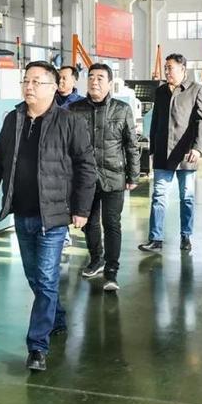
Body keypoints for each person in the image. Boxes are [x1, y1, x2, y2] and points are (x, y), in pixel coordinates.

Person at [0, 61, 96, 372]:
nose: (28, 87)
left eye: (36, 82)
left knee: (45, 279)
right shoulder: (13, 119)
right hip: (22, 213)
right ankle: (57, 316)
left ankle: (37, 346)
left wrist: (82, 209)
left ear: (54, 87)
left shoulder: (69, 122)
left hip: (53, 216)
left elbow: (86, 167)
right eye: (26, 81)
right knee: (35, 277)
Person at [70, 63, 141, 291]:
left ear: (110, 83)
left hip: (113, 175)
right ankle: (96, 259)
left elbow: (132, 145)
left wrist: (133, 175)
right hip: (84, 179)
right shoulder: (74, 109)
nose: (94, 81)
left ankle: (111, 271)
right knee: (89, 223)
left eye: (100, 78)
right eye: (91, 77)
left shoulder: (122, 109)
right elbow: (67, 145)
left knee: (111, 224)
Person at [137, 53, 202, 253]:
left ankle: (186, 236)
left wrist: (197, 148)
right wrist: (152, 149)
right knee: (159, 195)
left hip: (186, 153)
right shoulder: (160, 91)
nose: (167, 71)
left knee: (187, 196)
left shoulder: (196, 90)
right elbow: (155, 121)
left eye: (170, 68)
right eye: (166, 68)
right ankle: (156, 239)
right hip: (162, 151)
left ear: (183, 69)